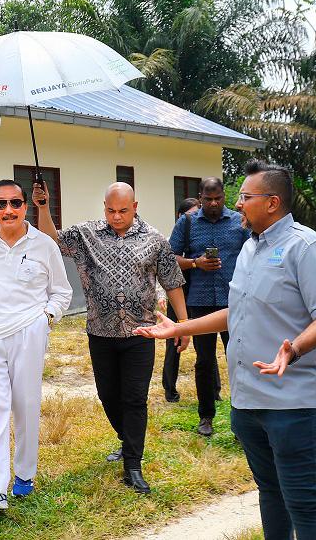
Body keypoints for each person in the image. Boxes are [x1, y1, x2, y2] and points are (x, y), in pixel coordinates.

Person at [135, 160, 316, 539]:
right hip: (248, 402)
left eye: (246, 197)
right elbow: (236, 312)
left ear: (272, 202)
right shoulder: (250, 248)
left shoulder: (305, 246)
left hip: (291, 403)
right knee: (270, 494)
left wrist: (293, 349)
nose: (238, 204)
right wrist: (178, 327)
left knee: (303, 500)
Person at [32, 181, 189, 494]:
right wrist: (43, 207)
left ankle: (133, 463)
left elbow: (172, 282)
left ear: (135, 206)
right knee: (108, 395)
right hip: (100, 333)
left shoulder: (155, 239)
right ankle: (126, 438)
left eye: (123, 211)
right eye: (110, 210)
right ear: (104, 207)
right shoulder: (88, 234)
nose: (116, 216)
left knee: (134, 398)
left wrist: (183, 324)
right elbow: (51, 240)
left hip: (140, 332)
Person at [0, 180, 72, 512]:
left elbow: (62, 292)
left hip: (29, 331)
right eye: (1, 204)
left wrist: (45, 318)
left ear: (25, 205)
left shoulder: (44, 245)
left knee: (25, 404)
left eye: (15, 203)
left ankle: (24, 474)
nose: (8, 210)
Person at [169, 179, 251, 436]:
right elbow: (169, 258)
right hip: (200, 302)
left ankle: (244, 420)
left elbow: (256, 250)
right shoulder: (188, 222)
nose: (213, 203)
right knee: (204, 362)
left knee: (239, 359)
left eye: (218, 198)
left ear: (224, 196)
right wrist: (195, 263)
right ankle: (206, 417)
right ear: (200, 197)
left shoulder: (240, 221)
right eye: (208, 199)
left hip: (235, 301)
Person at [160, 197, 200, 403]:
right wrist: (161, 296)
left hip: (198, 294)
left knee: (204, 341)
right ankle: (169, 388)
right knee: (174, 341)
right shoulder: (171, 240)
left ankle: (214, 389)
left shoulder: (201, 237)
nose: (196, 218)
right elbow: (163, 271)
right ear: (180, 217)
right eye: (192, 214)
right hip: (178, 296)